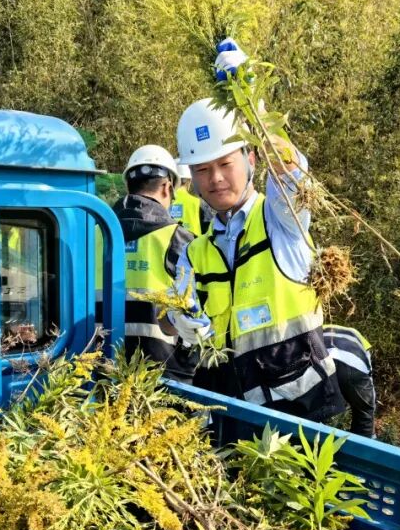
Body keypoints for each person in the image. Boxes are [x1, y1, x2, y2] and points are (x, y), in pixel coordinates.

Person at [168, 39, 344, 423]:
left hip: (299, 419)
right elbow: (180, 322)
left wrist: (255, 110)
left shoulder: (279, 221)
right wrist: (179, 320)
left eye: (225, 164)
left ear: (250, 158)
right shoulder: (193, 252)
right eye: (201, 170)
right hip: (230, 420)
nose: (214, 179)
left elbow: (294, 178)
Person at [111, 144, 197, 382]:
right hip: (166, 377)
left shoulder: (96, 234)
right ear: (167, 186)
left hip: (104, 373)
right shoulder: (179, 239)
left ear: (128, 186)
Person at [324, 324, 376, 437]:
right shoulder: (359, 338)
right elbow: (368, 376)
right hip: (354, 364)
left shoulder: (318, 328)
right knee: (364, 414)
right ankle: (362, 448)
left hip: (323, 361)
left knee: (315, 410)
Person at [170, 160, 211, 235]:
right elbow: (209, 230)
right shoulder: (198, 203)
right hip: (194, 245)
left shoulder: (161, 202)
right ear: (189, 181)